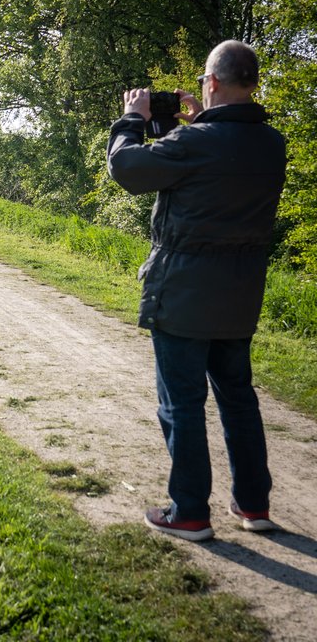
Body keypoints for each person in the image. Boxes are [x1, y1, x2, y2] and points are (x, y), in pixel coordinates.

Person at [107, 39, 286, 542]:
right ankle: (253, 504)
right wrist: (194, 125)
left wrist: (131, 119)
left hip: (183, 292)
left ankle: (188, 511)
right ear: (251, 84)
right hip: (240, 294)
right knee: (238, 398)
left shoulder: (195, 144)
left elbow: (127, 168)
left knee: (181, 403)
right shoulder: (271, 143)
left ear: (210, 83)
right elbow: (208, 169)